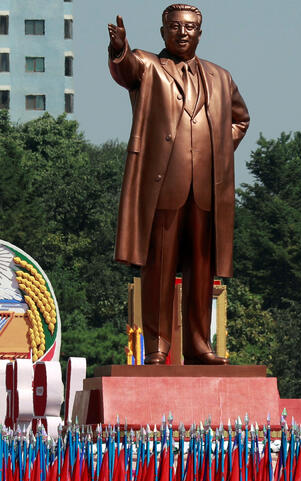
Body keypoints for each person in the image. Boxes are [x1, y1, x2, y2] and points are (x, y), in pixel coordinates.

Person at [107, 3, 250, 365]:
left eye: (189, 27)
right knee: (160, 268)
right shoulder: (149, 66)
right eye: (175, 26)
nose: (182, 33)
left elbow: (240, 120)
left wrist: (218, 147)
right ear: (163, 32)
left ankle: (199, 344)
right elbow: (125, 70)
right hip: (163, 187)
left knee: (202, 269)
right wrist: (119, 49)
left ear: (200, 33)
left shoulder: (220, 77)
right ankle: (157, 346)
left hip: (206, 189)